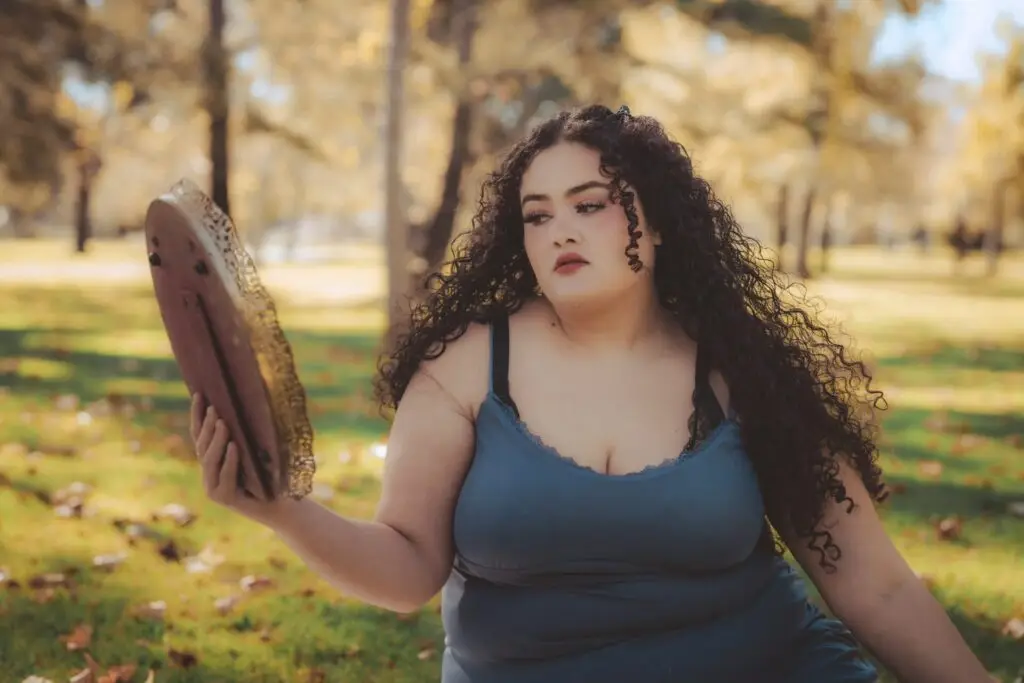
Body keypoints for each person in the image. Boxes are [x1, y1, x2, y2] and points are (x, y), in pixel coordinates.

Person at [190, 105, 991, 682]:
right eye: (537, 215)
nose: (560, 231)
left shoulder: (740, 368)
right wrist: (284, 511)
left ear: (660, 221)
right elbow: (405, 568)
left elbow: (874, 582)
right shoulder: (466, 365)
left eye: (590, 205)